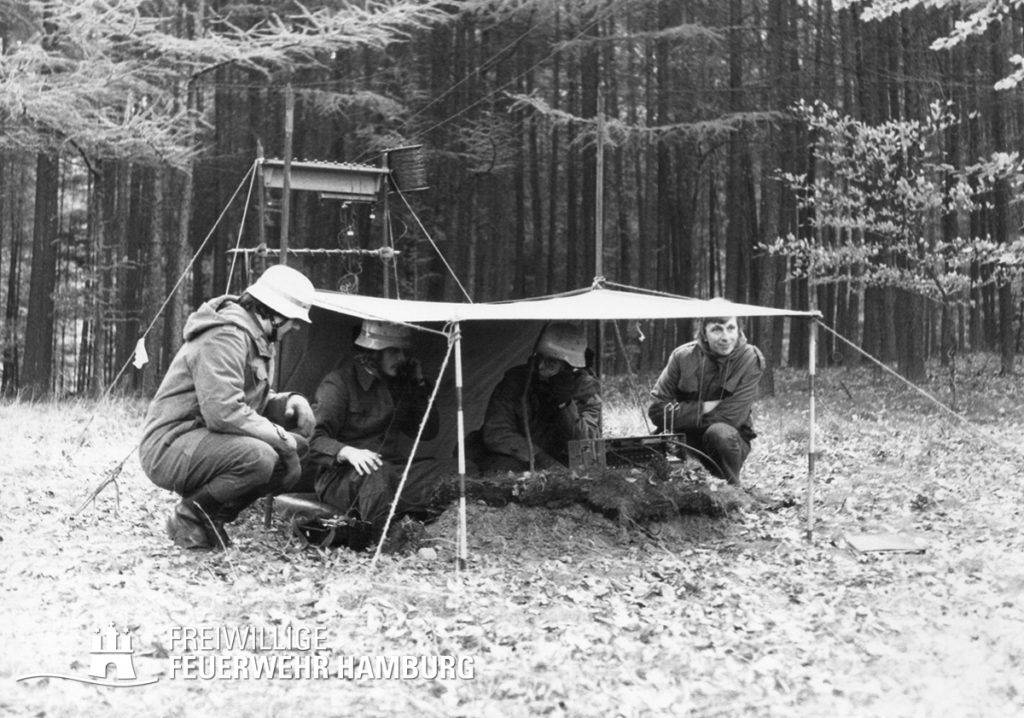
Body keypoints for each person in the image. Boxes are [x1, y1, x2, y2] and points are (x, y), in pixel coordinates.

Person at [139, 264, 318, 550]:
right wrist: (284, 441)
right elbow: (224, 412)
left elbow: (248, 401)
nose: (295, 327)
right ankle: (190, 515)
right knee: (260, 457)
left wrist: (288, 401)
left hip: (201, 440)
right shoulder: (226, 336)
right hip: (170, 446)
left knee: (296, 449)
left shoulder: (252, 335)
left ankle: (210, 518)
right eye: (293, 319)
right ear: (272, 312)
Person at [307, 320, 452, 540]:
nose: (401, 359)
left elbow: (427, 432)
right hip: (343, 478)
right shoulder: (339, 383)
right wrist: (348, 452)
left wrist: (419, 384)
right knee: (377, 475)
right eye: (393, 351)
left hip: (392, 471)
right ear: (372, 352)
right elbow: (311, 440)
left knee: (452, 469)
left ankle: (423, 525)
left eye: (403, 352)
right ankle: (381, 538)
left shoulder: (401, 384)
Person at [648, 314, 764, 485]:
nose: (725, 337)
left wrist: (680, 414)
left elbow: (730, 418)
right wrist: (701, 407)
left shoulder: (749, 358)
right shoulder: (682, 356)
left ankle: (732, 490)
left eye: (731, 328)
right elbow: (657, 410)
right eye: (716, 329)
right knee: (647, 451)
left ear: (739, 330)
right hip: (684, 440)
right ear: (704, 333)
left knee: (720, 433)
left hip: (727, 443)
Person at [472, 322, 602, 472]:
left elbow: (586, 446)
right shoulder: (516, 381)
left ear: (570, 368)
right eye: (539, 358)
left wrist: (565, 404)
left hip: (565, 465)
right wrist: (540, 457)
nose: (540, 366)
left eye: (551, 362)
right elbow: (497, 433)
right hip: (521, 461)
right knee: (500, 469)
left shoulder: (586, 392)